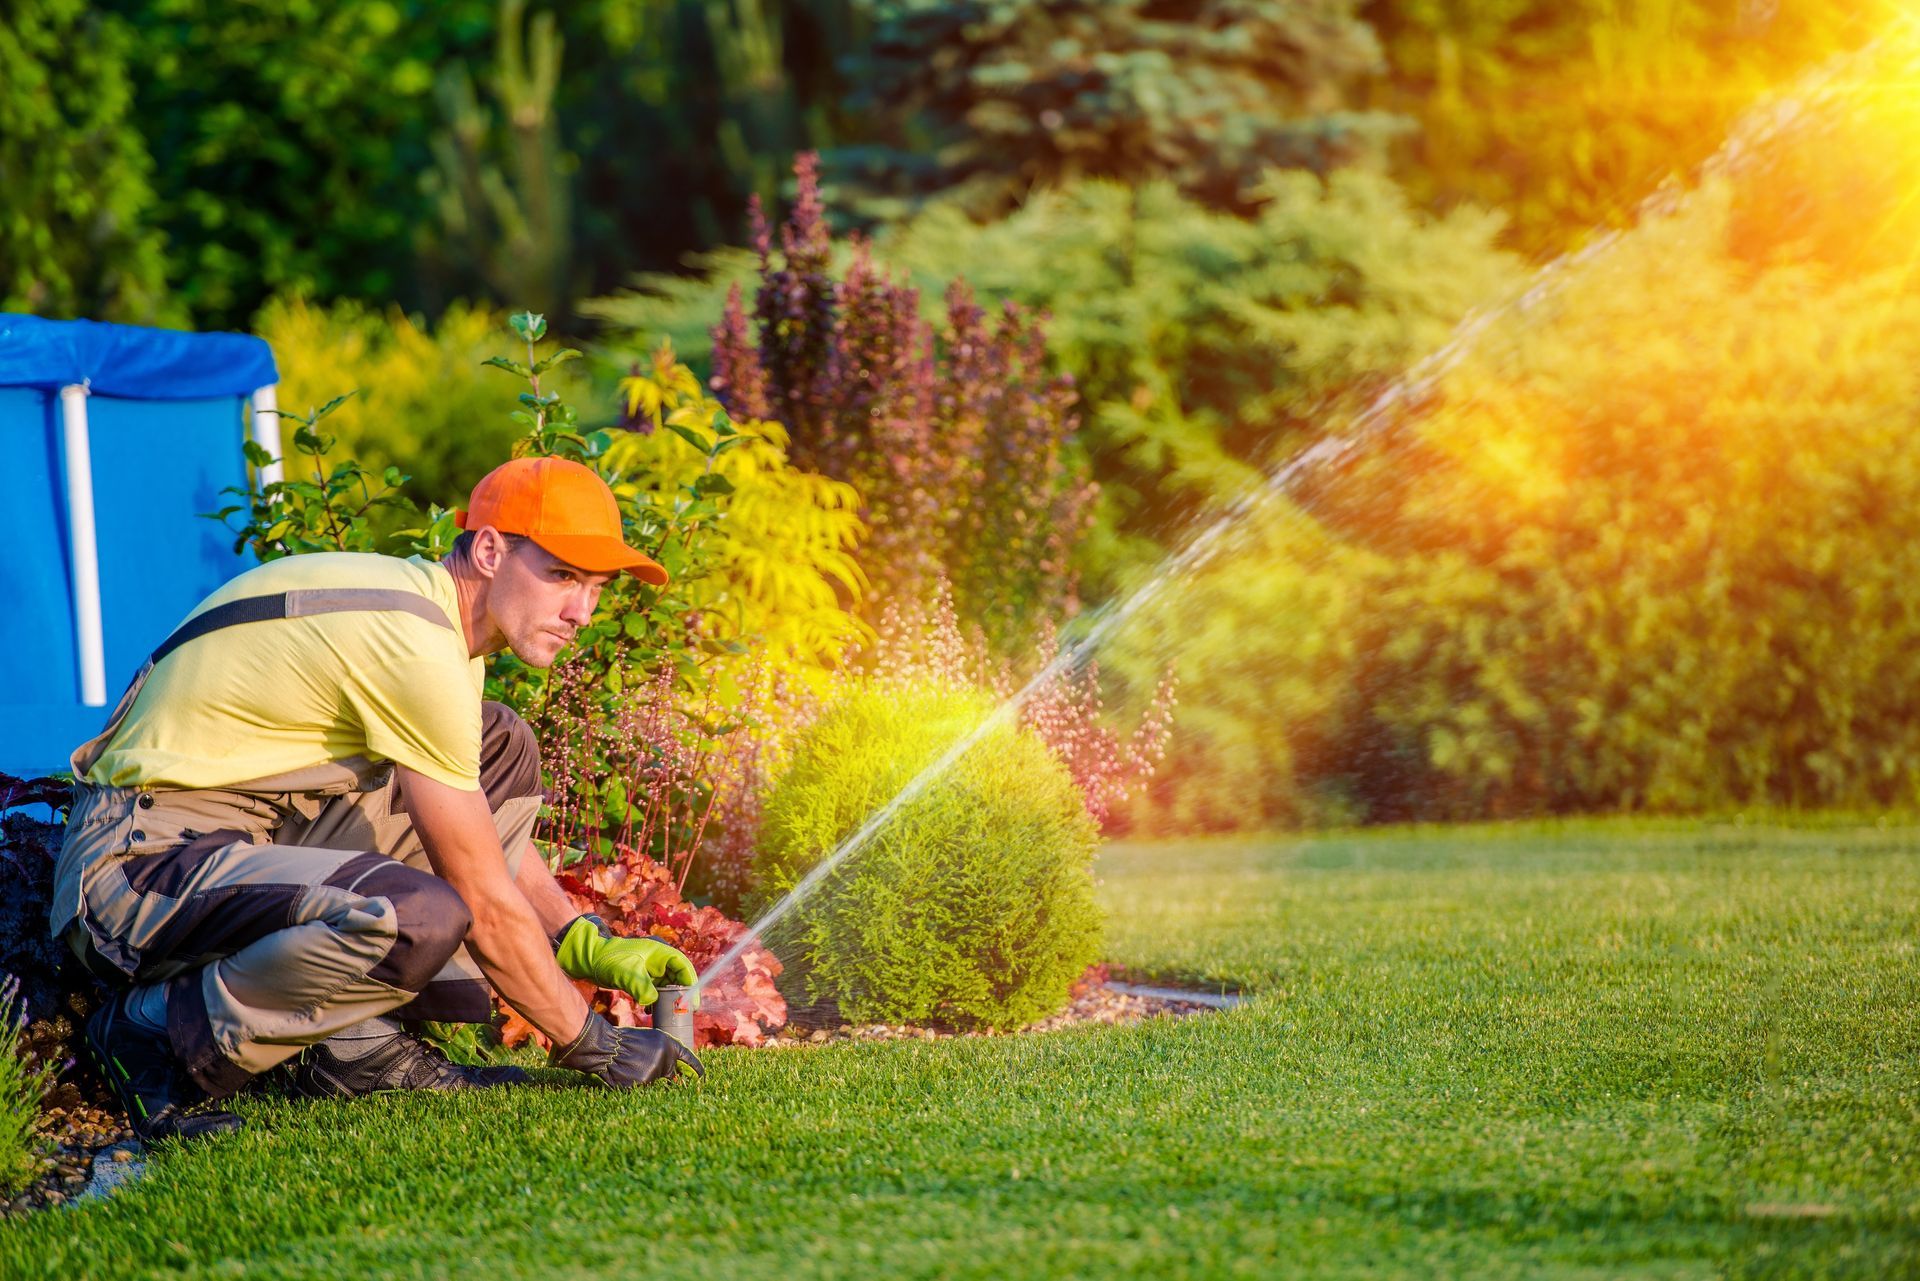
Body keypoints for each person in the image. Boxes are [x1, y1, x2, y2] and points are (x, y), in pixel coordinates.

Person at [49, 456, 703, 1143]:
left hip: (236, 844)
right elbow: (479, 895)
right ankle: (154, 1032)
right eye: (562, 575)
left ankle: (353, 1050)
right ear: (488, 549)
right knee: (415, 920)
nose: (581, 612)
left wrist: (576, 937)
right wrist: (593, 1044)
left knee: (499, 745)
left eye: (595, 586)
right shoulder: (415, 642)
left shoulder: (434, 626)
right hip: (135, 872)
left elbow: (477, 836)